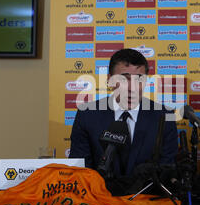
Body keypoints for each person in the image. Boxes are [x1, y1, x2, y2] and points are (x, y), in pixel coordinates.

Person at [69, 48, 178, 178]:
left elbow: (167, 170)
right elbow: (81, 171)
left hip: (146, 196)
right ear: (110, 80)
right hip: (100, 195)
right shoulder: (87, 115)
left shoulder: (164, 116)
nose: (132, 88)